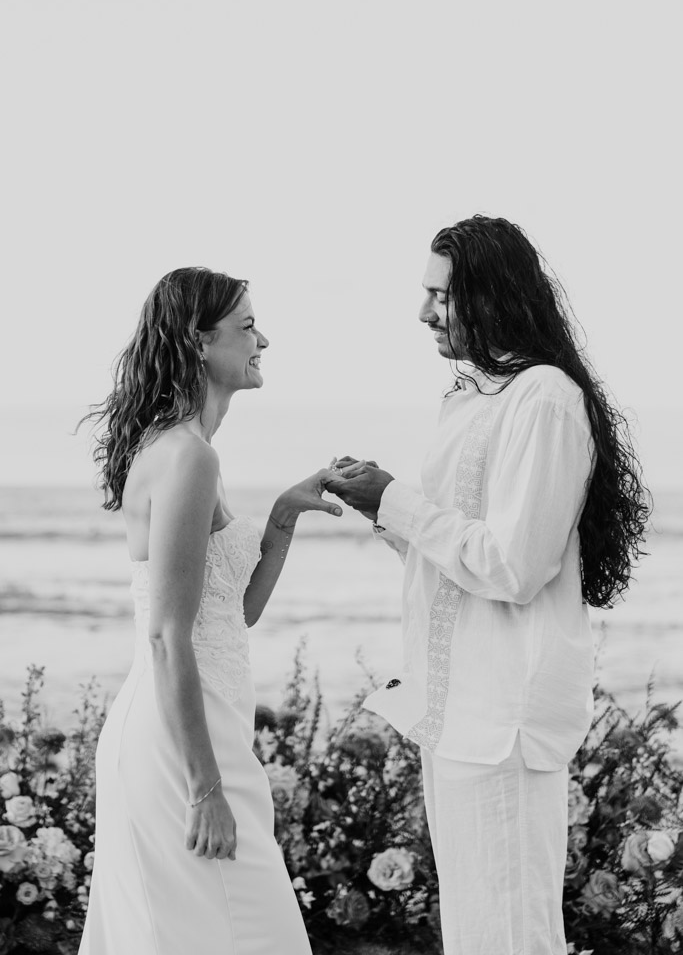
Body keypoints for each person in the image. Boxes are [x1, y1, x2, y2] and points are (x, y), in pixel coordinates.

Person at [325, 216, 650, 955]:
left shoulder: (542, 398)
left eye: (439, 295)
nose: (422, 313)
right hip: (456, 706)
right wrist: (382, 507)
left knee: (510, 934)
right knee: (474, 933)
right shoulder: (474, 398)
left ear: (489, 294)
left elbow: (514, 566)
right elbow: (458, 563)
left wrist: (397, 500)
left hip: (503, 713)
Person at [78, 268, 342, 955]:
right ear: (199, 342)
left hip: (210, 727)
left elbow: (232, 615)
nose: (264, 340)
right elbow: (167, 637)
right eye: (248, 326)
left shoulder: (195, 454)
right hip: (177, 751)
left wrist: (282, 517)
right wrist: (204, 790)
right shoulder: (187, 457)